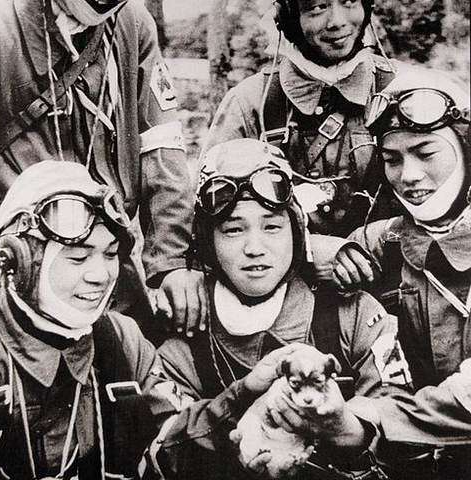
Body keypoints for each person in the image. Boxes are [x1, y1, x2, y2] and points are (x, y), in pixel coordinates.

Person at [149, 138, 412, 479]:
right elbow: (160, 450)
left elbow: (404, 418)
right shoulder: (185, 335)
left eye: (272, 226)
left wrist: (347, 428)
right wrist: (239, 403)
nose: (254, 248)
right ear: (206, 240)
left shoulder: (354, 314)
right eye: (232, 229)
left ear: (298, 232)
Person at [272, 70, 471, 480]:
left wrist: (364, 415)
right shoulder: (386, 240)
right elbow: (266, 270)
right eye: (392, 159)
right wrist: (317, 249)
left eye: (426, 152)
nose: (409, 175)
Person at [0, 0, 201, 338]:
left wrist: (171, 262)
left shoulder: (132, 22)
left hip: (108, 261)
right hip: (19, 264)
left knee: (139, 362)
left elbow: (161, 144)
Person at [0, 160, 193, 479]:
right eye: (78, 257)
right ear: (19, 261)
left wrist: (247, 413)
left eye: (110, 254)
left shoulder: (122, 340)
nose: (100, 275)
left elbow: (177, 439)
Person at [202, 0, 404, 238]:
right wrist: (305, 253)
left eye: (349, 1)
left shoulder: (405, 88)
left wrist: (380, 238)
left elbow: (449, 213)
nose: (337, 21)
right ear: (287, 18)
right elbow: (213, 217)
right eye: (318, 7)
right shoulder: (250, 102)